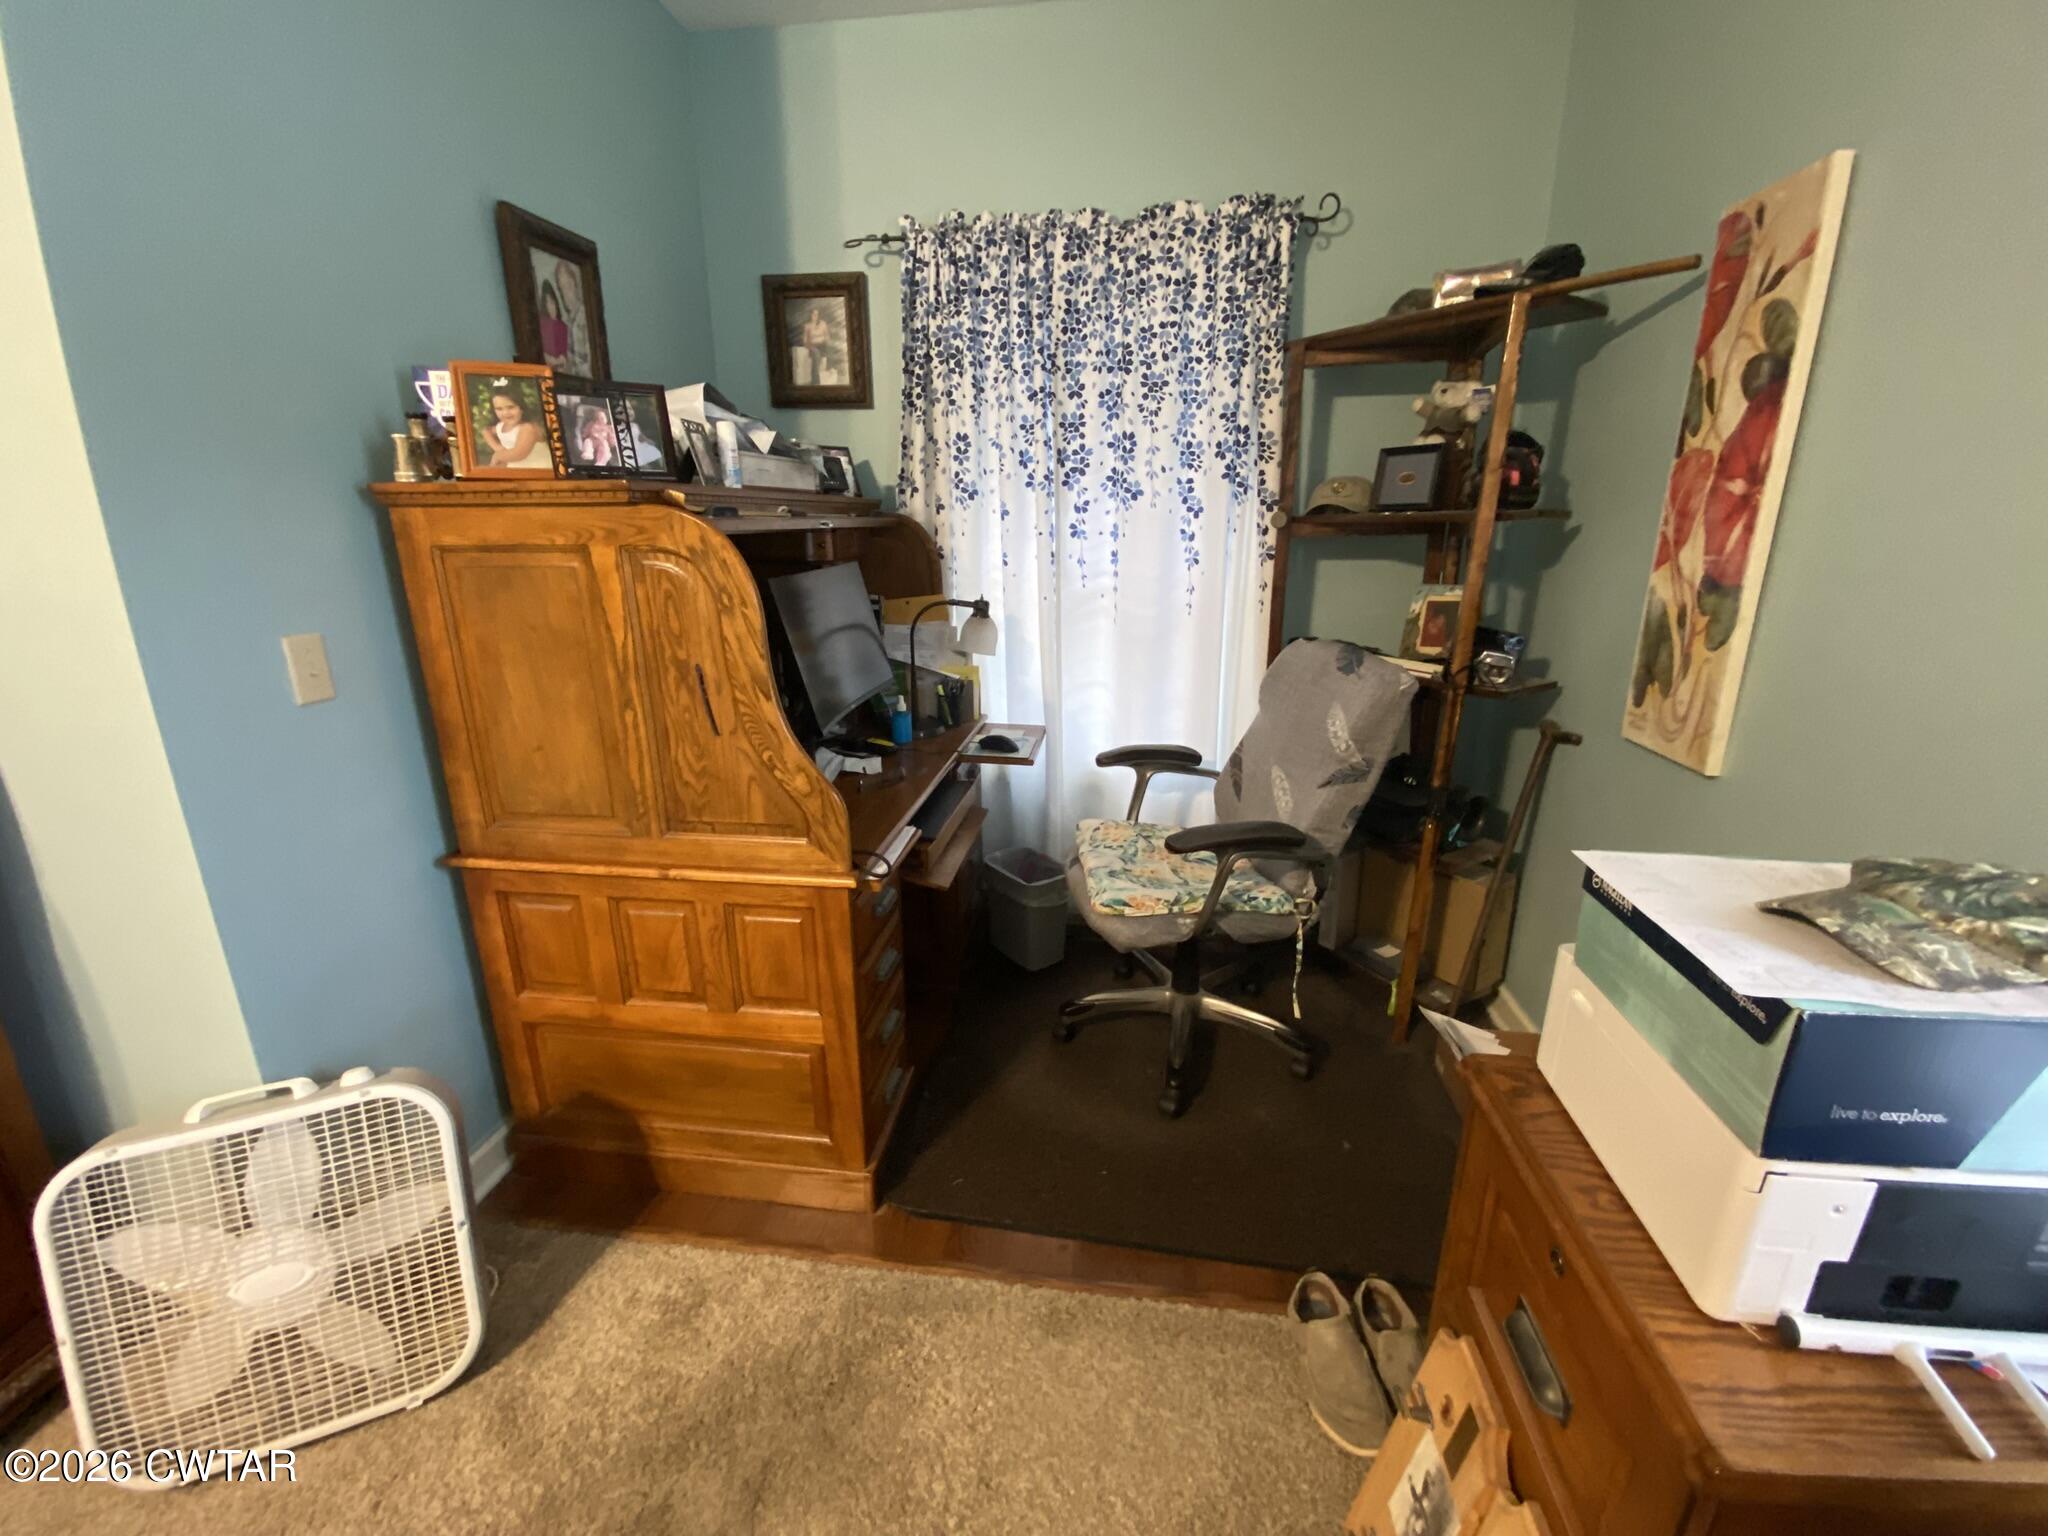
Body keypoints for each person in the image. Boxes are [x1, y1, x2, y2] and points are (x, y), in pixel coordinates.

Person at [481, 386, 550, 468]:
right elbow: (486, 431)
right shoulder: (501, 426)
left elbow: (518, 454)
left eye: (511, 407)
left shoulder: (528, 428)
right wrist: (498, 448)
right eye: (499, 409)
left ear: (521, 407)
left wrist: (498, 456)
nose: (506, 413)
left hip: (539, 469)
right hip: (517, 468)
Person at [538, 281, 570, 365]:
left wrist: (557, 361)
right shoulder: (542, 324)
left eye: (552, 302)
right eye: (547, 303)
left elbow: (564, 357)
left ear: (556, 303)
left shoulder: (563, 327)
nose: (550, 307)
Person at [574, 402, 616, 467]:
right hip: (592, 440)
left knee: (605, 447)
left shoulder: (608, 427)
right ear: (595, 419)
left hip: (602, 441)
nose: (601, 419)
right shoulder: (591, 424)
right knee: (587, 442)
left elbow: (611, 436)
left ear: (607, 419)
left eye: (603, 418)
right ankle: (588, 453)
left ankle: (601, 462)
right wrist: (584, 435)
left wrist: (612, 442)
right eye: (598, 418)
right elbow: (586, 430)